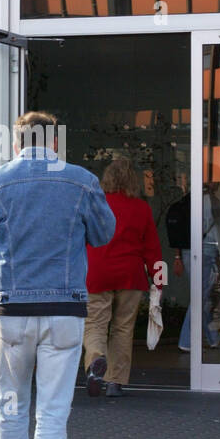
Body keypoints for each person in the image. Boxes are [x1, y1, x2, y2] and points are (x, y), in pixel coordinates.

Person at [0, 111, 114, 439]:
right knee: (52, 413)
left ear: (17, 143)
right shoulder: (81, 180)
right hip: (63, 312)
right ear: (55, 142)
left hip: (13, 311)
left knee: (11, 406)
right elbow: (104, 233)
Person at [84, 157, 162, 398]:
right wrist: (159, 280)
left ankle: (96, 360)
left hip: (97, 272)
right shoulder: (142, 208)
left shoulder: (95, 205)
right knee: (123, 329)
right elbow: (152, 248)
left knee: (95, 324)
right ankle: (115, 382)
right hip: (131, 274)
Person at [171, 188, 220, 354]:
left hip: (187, 252)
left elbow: (180, 232)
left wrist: (177, 257)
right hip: (206, 250)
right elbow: (219, 229)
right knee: (200, 297)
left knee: (202, 297)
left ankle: (213, 337)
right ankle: (186, 340)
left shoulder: (188, 200)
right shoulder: (213, 201)